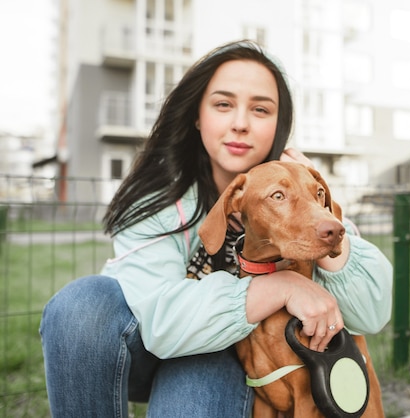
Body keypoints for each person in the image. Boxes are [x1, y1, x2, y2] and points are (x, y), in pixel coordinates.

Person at [40, 40, 392, 417]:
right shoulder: (157, 202)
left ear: (279, 124)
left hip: (226, 356)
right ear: (197, 115)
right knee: (81, 304)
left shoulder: (301, 190)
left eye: (260, 108)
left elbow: (372, 311)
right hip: (147, 351)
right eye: (223, 104)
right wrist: (281, 285)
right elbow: (162, 325)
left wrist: (314, 197)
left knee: (197, 381)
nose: (240, 122)